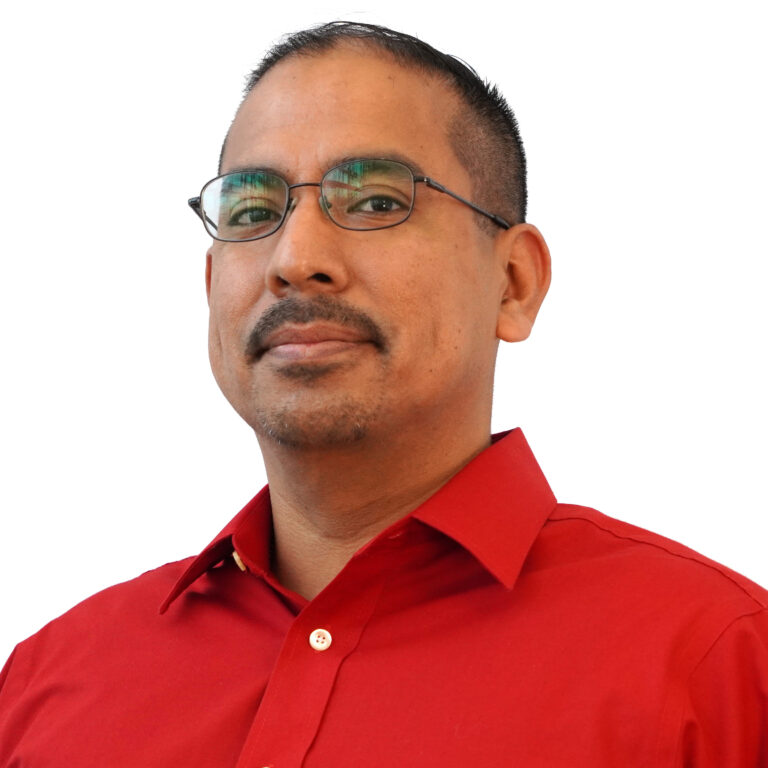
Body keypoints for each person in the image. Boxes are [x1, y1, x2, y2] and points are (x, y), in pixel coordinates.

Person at [1, 20, 766, 767]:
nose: (295, 259)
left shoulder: (718, 664)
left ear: (514, 283)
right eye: (254, 212)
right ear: (210, 286)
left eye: (373, 201)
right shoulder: (47, 683)